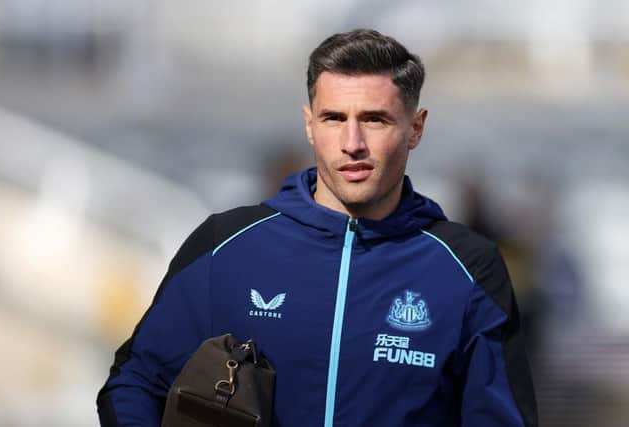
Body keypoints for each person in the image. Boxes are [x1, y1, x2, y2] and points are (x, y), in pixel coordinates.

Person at [97, 29, 538, 426]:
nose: (352, 144)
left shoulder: (467, 269)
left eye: (374, 119)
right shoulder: (226, 246)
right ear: (310, 125)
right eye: (334, 119)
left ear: (415, 128)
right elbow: (135, 383)